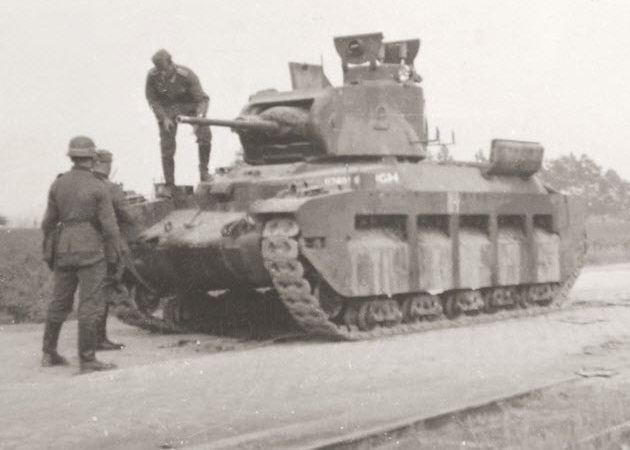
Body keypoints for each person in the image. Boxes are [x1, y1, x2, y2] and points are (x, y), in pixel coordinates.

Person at [40, 136, 120, 374]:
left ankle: (49, 353)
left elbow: (47, 223)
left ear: (72, 157)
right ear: (92, 157)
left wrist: (53, 247)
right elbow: (110, 228)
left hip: (64, 249)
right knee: (89, 304)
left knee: (59, 301)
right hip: (91, 250)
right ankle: (87, 360)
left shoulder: (58, 184)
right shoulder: (98, 185)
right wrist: (113, 256)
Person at [145, 49, 212, 194]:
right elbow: (152, 100)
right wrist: (163, 118)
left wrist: (199, 119)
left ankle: (204, 171)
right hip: (168, 110)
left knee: (205, 134)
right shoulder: (152, 76)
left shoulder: (186, 75)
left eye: (164, 70)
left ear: (171, 64)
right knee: (166, 145)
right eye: (159, 70)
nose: (162, 73)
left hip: (190, 107)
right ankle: (170, 184)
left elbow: (202, 99)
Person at [92, 149, 140, 351]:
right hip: (107, 246)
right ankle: (98, 339)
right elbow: (129, 216)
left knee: (91, 292)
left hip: (83, 245)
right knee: (105, 290)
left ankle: (90, 339)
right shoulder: (111, 188)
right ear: (108, 164)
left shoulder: (83, 186)